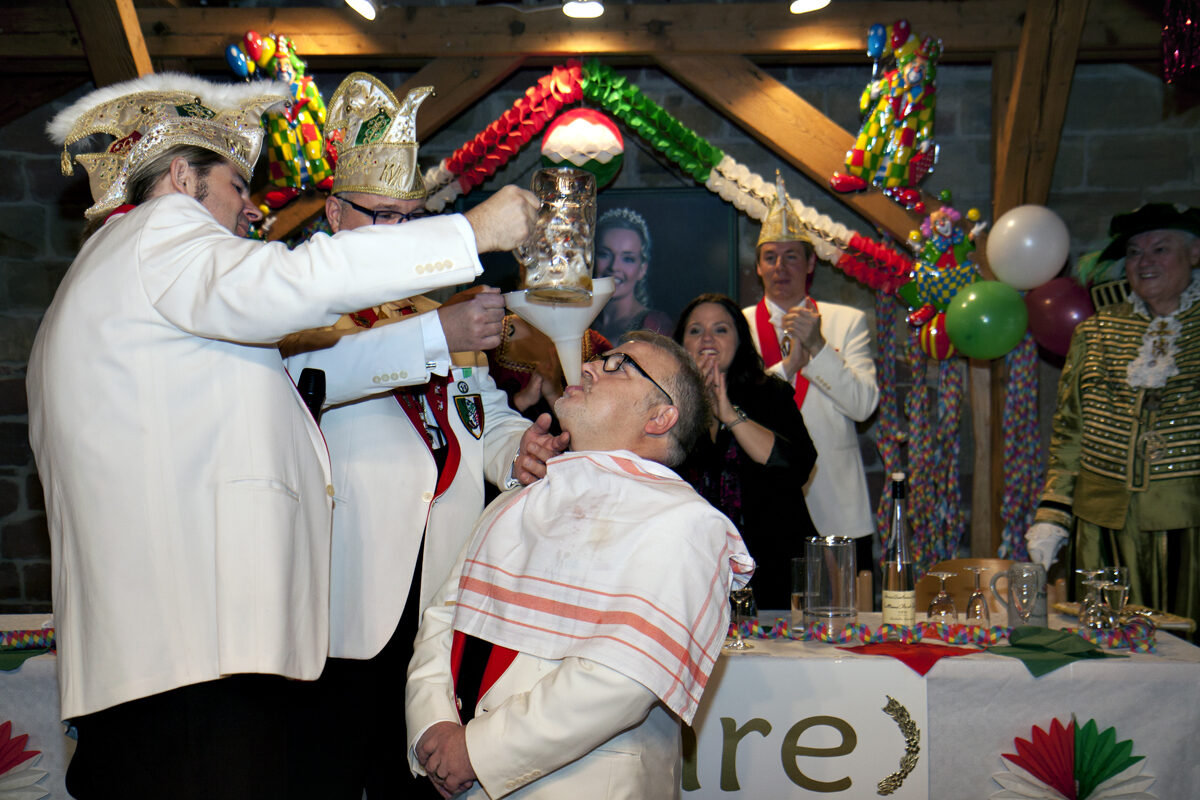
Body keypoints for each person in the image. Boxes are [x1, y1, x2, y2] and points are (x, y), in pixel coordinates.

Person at [27, 73, 537, 799]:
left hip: (162, 654)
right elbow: (296, 286)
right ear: (182, 179)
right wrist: (471, 233)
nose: (251, 206)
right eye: (237, 185)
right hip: (194, 652)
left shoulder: (109, 279)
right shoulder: (160, 230)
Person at [277, 73, 566, 798]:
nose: (398, 235)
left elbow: (479, 416)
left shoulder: (430, 308)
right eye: (381, 216)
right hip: (345, 591)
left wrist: (518, 450)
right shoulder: (296, 296)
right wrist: (438, 331)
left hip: (439, 587)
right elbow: (312, 378)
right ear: (335, 212)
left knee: (416, 781)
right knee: (328, 776)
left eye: (410, 219)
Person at [405, 332, 753, 800]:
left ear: (660, 417)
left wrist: (476, 750)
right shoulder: (516, 499)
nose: (588, 366)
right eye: (599, 359)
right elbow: (442, 617)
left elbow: (621, 680)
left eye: (619, 366)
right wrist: (432, 725)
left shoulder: (685, 523)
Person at [1026, 203, 1200, 627]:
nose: (1144, 262)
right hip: (1101, 526)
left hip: (1189, 523)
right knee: (1107, 646)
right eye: (1135, 253)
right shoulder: (1096, 331)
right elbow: (1070, 430)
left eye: (1160, 249)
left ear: (1194, 253)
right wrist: (1053, 515)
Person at [741, 175, 880, 573]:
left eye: (791, 257)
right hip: (765, 505)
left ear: (811, 263)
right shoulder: (738, 326)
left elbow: (863, 406)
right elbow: (735, 406)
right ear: (758, 267)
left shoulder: (845, 322)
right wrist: (788, 368)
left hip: (837, 503)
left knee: (848, 609)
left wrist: (818, 348)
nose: (780, 267)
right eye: (771, 257)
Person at [674, 293, 818, 610]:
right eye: (695, 330)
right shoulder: (667, 406)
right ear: (681, 344)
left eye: (720, 329)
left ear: (740, 340)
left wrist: (729, 414)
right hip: (694, 575)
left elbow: (797, 466)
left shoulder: (771, 393)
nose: (707, 339)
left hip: (774, 571)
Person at [594, 207, 672, 342]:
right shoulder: (581, 321)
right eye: (604, 254)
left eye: (628, 259)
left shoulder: (655, 325)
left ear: (642, 269)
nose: (614, 266)